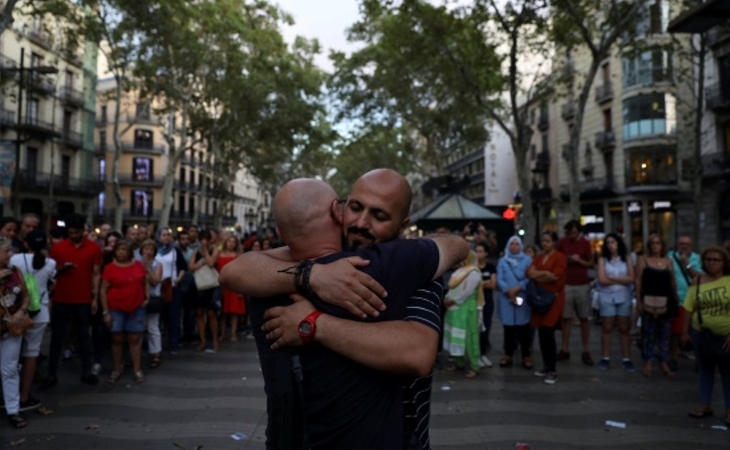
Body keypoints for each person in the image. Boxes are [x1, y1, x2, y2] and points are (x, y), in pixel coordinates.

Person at [221, 170, 466, 449]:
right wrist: (311, 275)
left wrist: (314, 323)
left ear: (402, 226)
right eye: (356, 207)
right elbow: (234, 270)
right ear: (339, 210)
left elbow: (418, 353)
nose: (361, 223)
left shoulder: (417, 273)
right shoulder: (290, 271)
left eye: (379, 216)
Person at [44, 213, 102, 388]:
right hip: (61, 298)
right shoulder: (57, 248)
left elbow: (96, 273)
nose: (73, 235)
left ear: (83, 231)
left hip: (83, 299)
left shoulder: (94, 248)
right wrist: (62, 270)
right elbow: (51, 273)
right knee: (57, 339)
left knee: (84, 337)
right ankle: (51, 375)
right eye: (70, 232)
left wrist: (95, 298)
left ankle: (86, 372)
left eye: (77, 232)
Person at [681, 246, 730, 426]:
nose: (711, 263)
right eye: (708, 260)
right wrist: (685, 332)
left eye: (716, 260)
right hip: (702, 333)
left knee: (727, 373)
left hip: (726, 335)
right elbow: (688, 307)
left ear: (724, 262)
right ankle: (705, 405)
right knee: (705, 370)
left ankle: (729, 410)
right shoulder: (698, 281)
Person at [10, 231, 56, 414]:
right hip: (40, 313)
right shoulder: (51, 263)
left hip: (18, 312)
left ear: (26, 243)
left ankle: (9, 395)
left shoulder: (15, 259)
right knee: (32, 355)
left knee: (11, 356)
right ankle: (24, 396)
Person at [100, 240, 148, 383]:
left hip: (136, 307)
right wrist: (106, 312)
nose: (121, 252)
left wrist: (147, 298)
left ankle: (137, 370)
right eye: (119, 249)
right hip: (116, 309)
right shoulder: (110, 268)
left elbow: (144, 282)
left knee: (135, 339)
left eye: (124, 249)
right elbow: (103, 291)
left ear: (129, 252)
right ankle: (116, 369)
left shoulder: (138, 266)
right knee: (117, 339)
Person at [635, 234, 678, 378]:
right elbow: (638, 281)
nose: (655, 246)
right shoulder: (643, 260)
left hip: (666, 301)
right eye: (652, 243)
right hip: (648, 300)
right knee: (648, 334)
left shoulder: (668, 261)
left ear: (662, 245)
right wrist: (638, 301)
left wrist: (676, 298)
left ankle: (664, 362)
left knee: (665, 334)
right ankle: (648, 361)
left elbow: (672, 282)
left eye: (658, 243)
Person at [527, 231, 567, 385]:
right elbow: (529, 273)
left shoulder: (560, 257)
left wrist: (539, 274)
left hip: (553, 299)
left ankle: (552, 369)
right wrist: (544, 273)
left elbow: (555, 276)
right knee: (542, 334)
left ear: (554, 242)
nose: (545, 244)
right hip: (539, 298)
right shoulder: (539, 257)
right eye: (543, 241)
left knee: (547, 332)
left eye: (548, 241)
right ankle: (546, 365)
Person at [0, 237, 31, 428]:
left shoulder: (15, 271)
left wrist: (21, 311)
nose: (10, 254)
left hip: (12, 327)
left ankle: (13, 410)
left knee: (10, 369)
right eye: (6, 251)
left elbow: (26, 296)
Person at [556, 220, 594, 366]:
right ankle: (564, 348)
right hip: (566, 284)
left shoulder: (585, 243)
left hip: (582, 284)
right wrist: (568, 259)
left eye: (574, 232)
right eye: (569, 232)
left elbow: (591, 263)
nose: (572, 235)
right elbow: (557, 258)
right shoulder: (562, 242)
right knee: (566, 318)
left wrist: (580, 261)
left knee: (584, 317)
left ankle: (585, 350)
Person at [595, 233, 635, 371]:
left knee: (624, 328)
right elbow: (602, 280)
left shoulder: (627, 258)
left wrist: (611, 277)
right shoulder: (602, 260)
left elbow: (631, 278)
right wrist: (620, 279)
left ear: (618, 243)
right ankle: (605, 357)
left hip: (623, 296)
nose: (611, 245)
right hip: (606, 297)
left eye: (613, 242)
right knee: (607, 327)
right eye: (608, 243)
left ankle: (626, 358)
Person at [443, 250, 484, 378]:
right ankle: (458, 362)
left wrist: (452, 301)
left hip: (467, 309)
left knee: (470, 338)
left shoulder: (474, 272)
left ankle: (474, 366)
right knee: (455, 335)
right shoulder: (460, 271)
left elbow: (467, 292)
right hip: (455, 309)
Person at [496, 236, 533, 369]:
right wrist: (508, 290)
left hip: (522, 297)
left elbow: (529, 278)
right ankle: (508, 354)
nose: (514, 247)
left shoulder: (528, 260)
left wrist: (518, 288)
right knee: (508, 328)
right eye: (512, 244)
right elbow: (499, 279)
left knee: (524, 328)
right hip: (506, 298)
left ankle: (526, 355)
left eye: (517, 244)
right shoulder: (502, 261)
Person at [668, 236, 703, 368]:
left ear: (691, 246)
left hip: (695, 300)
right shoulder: (670, 256)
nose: (684, 246)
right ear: (677, 244)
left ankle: (698, 360)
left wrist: (686, 264)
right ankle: (673, 357)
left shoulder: (698, 258)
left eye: (687, 244)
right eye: (681, 243)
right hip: (677, 300)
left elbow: (700, 277)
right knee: (676, 331)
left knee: (695, 331)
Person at [156, 227, 187, 354]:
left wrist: (178, 279)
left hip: (172, 287)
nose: (166, 237)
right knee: (158, 318)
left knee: (173, 317)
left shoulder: (175, 251)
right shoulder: (154, 250)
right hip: (157, 287)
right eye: (163, 235)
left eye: (168, 235)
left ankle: (173, 343)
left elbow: (183, 267)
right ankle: (157, 346)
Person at [189, 230, 220, 352]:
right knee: (199, 313)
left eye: (206, 239)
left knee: (212, 314)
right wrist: (201, 262)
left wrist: (206, 252)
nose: (203, 241)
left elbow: (212, 263)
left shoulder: (214, 250)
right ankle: (203, 341)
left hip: (211, 286)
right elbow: (191, 267)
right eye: (202, 239)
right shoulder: (195, 252)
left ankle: (215, 341)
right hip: (199, 287)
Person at [217, 235, 245, 342]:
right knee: (223, 312)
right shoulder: (219, 254)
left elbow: (242, 272)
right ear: (225, 242)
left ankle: (233, 333)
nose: (231, 244)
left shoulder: (238, 255)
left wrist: (241, 289)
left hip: (234, 285)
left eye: (233, 242)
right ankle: (222, 334)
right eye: (229, 241)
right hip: (222, 285)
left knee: (234, 312)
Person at [140, 239, 163, 368]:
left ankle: (155, 353)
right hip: (139, 298)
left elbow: (155, 281)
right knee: (139, 327)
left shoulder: (157, 264)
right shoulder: (136, 263)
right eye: (146, 249)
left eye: (151, 249)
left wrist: (148, 268)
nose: (148, 252)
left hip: (154, 298)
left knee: (152, 326)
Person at [476, 242, 496, 367]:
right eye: (476, 251)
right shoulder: (472, 267)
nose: (478, 254)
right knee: (476, 329)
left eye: (481, 251)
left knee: (486, 328)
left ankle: (483, 354)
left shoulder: (490, 266)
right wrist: (485, 282)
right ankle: (476, 354)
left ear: (486, 253)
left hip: (487, 301)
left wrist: (479, 284)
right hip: (475, 302)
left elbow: (493, 284)